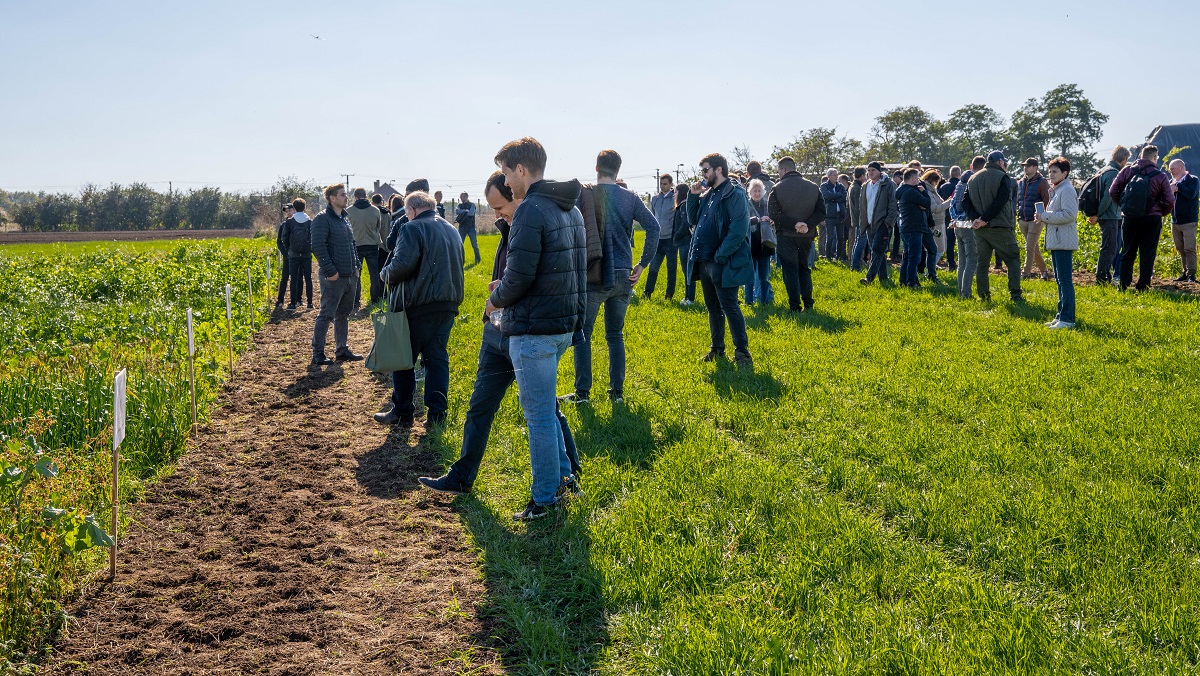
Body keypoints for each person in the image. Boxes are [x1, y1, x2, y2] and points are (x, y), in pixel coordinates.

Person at [418, 171, 581, 495]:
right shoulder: (510, 229)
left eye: (499, 206)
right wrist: (499, 292)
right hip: (498, 332)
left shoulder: (540, 221)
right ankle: (462, 476)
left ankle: (569, 476)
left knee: (545, 410)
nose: (495, 214)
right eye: (492, 209)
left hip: (525, 331)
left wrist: (501, 294)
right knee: (481, 406)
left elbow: (537, 281)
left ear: (517, 194)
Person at [485, 137, 587, 521]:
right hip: (561, 327)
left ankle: (544, 499)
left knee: (540, 417)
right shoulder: (569, 208)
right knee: (545, 411)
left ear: (522, 170)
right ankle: (564, 479)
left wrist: (495, 299)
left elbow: (522, 276)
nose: (507, 182)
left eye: (508, 174)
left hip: (534, 332)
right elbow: (559, 271)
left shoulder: (529, 210)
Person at [565, 149, 659, 404]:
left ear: (596, 169)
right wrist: (642, 265)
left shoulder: (583, 196)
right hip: (623, 274)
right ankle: (616, 394)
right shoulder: (630, 198)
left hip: (594, 273)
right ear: (618, 170)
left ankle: (582, 394)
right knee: (615, 335)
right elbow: (654, 227)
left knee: (583, 333)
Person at [374, 191, 465, 427]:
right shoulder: (451, 229)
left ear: (411, 210)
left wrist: (384, 274)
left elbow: (402, 265)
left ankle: (402, 411)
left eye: (406, 213)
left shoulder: (411, 228)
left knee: (403, 358)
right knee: (436, 359)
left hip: (418, 304)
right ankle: (436, 415)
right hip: (448, 303)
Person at [687, 152, 753, 367]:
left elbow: (739, 228)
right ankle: (717, 348)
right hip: (704, 259)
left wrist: (721, 255)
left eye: (705, 170)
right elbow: (692, 219)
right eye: (702, 171)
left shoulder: (734, 193)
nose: (703, 175)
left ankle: (742, 353)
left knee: (730, 306)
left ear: (718, 170)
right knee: (712, 307)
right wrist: (692, 196)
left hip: (722, 260)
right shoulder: (708, 194)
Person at [1109, 144, 1175, 291]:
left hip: (1130, 217)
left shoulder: (1127, 171)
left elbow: (1113, 190)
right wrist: (1161, 212)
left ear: (1140, 156)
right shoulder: (1160, 176)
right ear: (1154, 158)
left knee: (1127, 251)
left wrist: (1124, 205)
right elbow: (1170, 200)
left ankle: (1123, 285)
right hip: (1152, 218)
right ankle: (1143, 286)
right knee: (1147, 253)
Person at [310, 183, 362, 366]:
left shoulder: (344, 219)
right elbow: (318, 246)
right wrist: (331, 271)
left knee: (343, 314)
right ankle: (318, 352)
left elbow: (352, 245)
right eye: (342, 195)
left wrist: (356, 266)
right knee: (326, 314)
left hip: (349, 276)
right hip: (334, 278)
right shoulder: (322, 219)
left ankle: (341, 349)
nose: (346, 197)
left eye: (345, 194)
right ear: (332, 198)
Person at [964, 151, 1023, 302]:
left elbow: (965, 202)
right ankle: (1015, 296)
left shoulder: (972, 177)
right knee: (1013, 260)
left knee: (982, 263)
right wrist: (984, 218)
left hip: (980, 229)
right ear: (1000, 162)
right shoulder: (1003, 177)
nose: (1006, 166)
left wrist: (976, 219)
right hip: (1000, 227)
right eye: (1005, 163)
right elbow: (1001, 201)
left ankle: (984, 296)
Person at [768, 156, 825, 311]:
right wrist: (807, 224)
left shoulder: (777, 188)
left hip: (786, 236)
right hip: (806, 235)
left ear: (784, 169)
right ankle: (808, 302)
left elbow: (773, 214)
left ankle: (794, 305)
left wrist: (794, 224)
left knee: (790, 270)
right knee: (804, 268)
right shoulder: (813, 186)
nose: (779, 173)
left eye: (779, 170)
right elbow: (821, 211)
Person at [1036, 156, 1079, 329]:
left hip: (1063, 240)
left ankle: (1068, 319)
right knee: (1060, 280)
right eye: (1049, 171)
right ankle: (1061, 315)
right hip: (1057, 239)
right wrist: (1043, 217)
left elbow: (1069, 215)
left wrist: (1045, 216)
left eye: (1054, 172)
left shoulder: (1066, 190)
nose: (1051, 175)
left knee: (1065, 281)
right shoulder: (1058, 189)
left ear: (1065, 173)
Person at [1091, 146, 1129, 284]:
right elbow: (1108, 197)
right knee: (1109, 248)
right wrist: (1098, 214)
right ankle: (1101, 278)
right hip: (1109, 216)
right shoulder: (1113, 173)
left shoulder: (1103, 170)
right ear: (1123, 159)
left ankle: (1105, 276)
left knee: (1112, 247)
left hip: (1112, 215)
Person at [949, 157, 986, 299]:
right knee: (972, 261)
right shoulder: (974, 182)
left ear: (971, 166)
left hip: (957, 224)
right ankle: (966, 294)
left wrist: (955, 219)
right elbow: (969, 205)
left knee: (962, 262)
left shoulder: (960, 182)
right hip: (968, 224)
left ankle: (961, 291)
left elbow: (953, 203)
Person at [859, 161, 898, 285]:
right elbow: (863, 206)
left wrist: (888, 223)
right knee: (878, 251)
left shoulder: (888, 184)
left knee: (876, 249)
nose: (870, 173)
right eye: (869, 170)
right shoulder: (865, 186)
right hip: (869, 223)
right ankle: (883, 278)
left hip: (882, 223)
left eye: (873, 170)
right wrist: (863, 222)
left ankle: (869, 278)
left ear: (879, 171)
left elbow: (893, 205)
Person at [347, 187, 385, 308]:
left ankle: (355, 300)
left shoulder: (349, 211)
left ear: (355, 197)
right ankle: (375, 299)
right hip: (372, 244)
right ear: (366, 196)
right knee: (374, 273)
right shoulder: (375, 210)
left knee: (356, 274)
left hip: (356, 245)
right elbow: (378, 227)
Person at [644, 173, 679, 300]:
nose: (662, 186)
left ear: (670, 184)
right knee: (653, 268)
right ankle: (647, 292)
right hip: (658, 239)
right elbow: (652, 216)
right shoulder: (655, 199)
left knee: (671, 269)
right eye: (661, 184)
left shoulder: (675, 198)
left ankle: (669, 295)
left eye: (665, 184)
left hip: (671, 239)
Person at [1016, 158, 1052, 280]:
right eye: (1024, 166)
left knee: (1029, 247)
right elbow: (1019, 200)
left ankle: (1025, 274)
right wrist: (1018, 216)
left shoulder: (1042, 182)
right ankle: (1044, 272)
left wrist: (1043, 217)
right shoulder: (1020, 182)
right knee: (1033, 247)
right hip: (1023, 219)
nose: (1025, 168)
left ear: (1035, 167)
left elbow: (1047, 200)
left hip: (1036, 220)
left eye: (1029, 166)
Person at [897, 169, 932, 288]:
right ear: (912, 179)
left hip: (905, 227)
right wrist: (924, 192)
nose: (919, 181)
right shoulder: (912, 192)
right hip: (914, 227)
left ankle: (903, 281)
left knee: (907, 256)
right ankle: (911, 282)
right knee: (914, 258)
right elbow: (927, 203)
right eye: (917, 178)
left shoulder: (901, 191)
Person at [1168, 159, 1198, 282]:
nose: (1170, 172)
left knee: (1189, 248)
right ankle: (1185, 272)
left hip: (1189, 221)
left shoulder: (1193, 180)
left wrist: (1178, 187)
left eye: (1172, 169)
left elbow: (1192, 194)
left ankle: (1191, 274)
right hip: (1175, 221)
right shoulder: (1171, 182)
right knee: (1180, 248)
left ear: (1180, 168)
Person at [745, 178, 774, 305]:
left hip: (765, 244)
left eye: (759, 191)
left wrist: (772, 221)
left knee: (764, 277)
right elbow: (744, 222)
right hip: (751, 244)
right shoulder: (746, 204)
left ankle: (765, 302)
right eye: (754, 191)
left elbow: (773, 219)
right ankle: (749, 302)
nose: (757, 193)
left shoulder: (767, 205)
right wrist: (758, 219)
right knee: (749, 277)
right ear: (750, 193)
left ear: (763, 192)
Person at [282, 198, 313, 309]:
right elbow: (313, 237)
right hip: (306, 254)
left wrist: (288, 249)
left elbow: (284, 237)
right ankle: (310, 303)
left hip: (293, 254)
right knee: (308, 278)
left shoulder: (289, 222)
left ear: (294, 208)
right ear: (305, 208)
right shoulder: (310, 221)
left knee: (294, 279)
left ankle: (293, 303)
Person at [921, 169, 951, 281]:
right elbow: (935, 208)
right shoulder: (929, 192)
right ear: (933, 180)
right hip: (936, 223)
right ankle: (930, 271)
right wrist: (948, 203)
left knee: (938, 248)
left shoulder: (931, 190)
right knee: (938, 248)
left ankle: (930, 270)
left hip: (939, 222)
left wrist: (946, 201)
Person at [671, 184, 697, 305]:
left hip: (685, 242)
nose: (674, 195)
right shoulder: (683, 205)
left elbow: (685, 224)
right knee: (686, 271)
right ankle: (687, 297)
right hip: (684, 242)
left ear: (680, 193)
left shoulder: (683, 206)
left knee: (688, 271)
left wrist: (676, 235)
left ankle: (690, 298)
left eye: (675, 192)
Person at [819, 168, 846, 262]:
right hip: (830, 215)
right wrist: (837, 196)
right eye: (834, 175)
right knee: (830, 237)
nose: (836, 177)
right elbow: (826, 196)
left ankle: (838, 257)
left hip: (840, 215)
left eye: (837, 175)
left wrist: (834, 198)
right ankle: (828, 257)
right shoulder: (824, 186)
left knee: (840, 237)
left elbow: (844, 197)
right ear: (829, 176)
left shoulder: (840, 186)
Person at [939, 166, 961, 271]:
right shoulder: (961, 186)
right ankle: (962, 262)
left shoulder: (943, 187)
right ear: (959, 174)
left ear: (950, 174)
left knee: (949, 241)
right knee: (962, 241)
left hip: (946, 216)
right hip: (960, 217)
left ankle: (951, 262)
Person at [275, 203, 295, 307]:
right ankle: (280, 300)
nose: (288, 213)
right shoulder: (283, 225)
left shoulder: (299, 223)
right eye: (286, 212)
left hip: (296, 256)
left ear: (294, 210)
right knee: (284, 278)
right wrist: (285, 253)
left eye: (289, 211)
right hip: (287, 257)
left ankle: (295, 300)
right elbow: (279, 242)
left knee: (296, 279)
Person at [455, 192, 481, 265]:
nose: (462, 198)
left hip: (471, 227)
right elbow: (457, 211)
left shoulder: (472, 205)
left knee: (474, 245)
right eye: (461, 197)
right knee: (460, 245)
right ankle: (461, 260)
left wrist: (463, 212)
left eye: (463, 197)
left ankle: (478, 260)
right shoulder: (459, 205)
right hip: (462, 227)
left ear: (467, 197)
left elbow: (471, 213)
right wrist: (465, 211)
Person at [838, 173, 853, 261]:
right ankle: (843, 256)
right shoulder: (841, 190)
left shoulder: (850, 190)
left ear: (844, 181)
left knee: (850, 237)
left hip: (849, 217)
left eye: (839, 181)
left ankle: (850, 255)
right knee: (843, 237)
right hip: (842, 217)